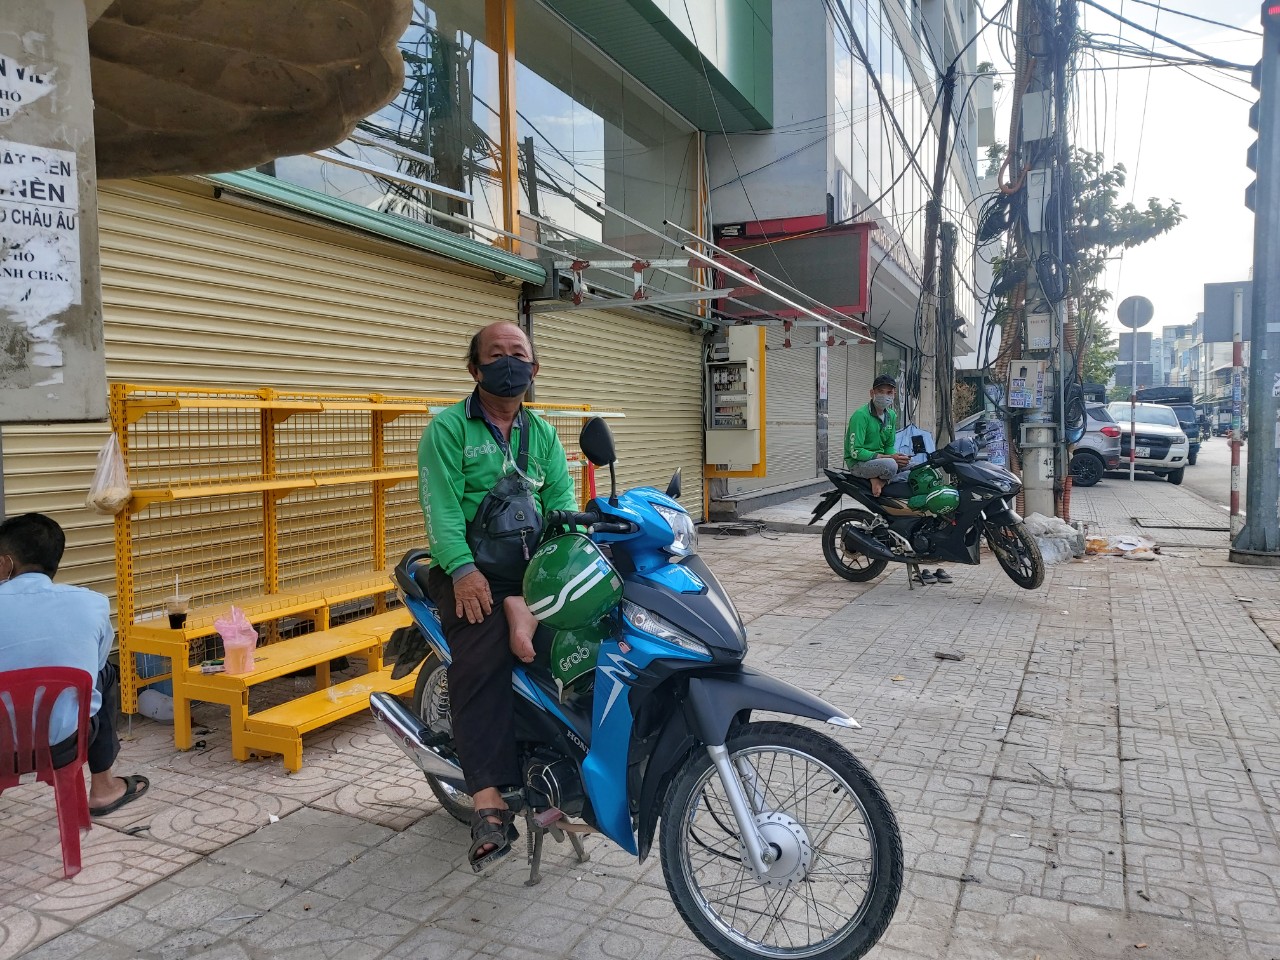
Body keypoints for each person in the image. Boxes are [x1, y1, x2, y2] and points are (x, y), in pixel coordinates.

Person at [417, 321, 578, 872]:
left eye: (520, 355)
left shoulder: (545, 435)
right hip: (471, 572)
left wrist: (559, 575)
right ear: (474, 368)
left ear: (533, 370)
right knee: (480, 659)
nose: (510, 363)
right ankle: (487, 802)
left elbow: (562, 509)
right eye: (497, 354)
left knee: (593, 638)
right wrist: (462, 571)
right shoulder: (447, 430)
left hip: (531, 575)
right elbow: (440, 511)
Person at [0, 513, 150, 815]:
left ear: (5, 564)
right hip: (64, 744)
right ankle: (103, 789)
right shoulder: (91, 603)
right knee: (105, 672)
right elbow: (91, 668)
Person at [844, 374, 911, 497]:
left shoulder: (891, 416)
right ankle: (878, 479)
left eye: (889, 392)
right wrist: (890, 457)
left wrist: (896, 456)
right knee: (891, 465)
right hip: (859, 464)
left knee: (919, 468)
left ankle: (882, 481)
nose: (885, 396)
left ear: (894, 395)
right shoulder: (861, 416)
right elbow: (855, 452)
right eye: (880, 391)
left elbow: (889, 446)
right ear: (872, 393)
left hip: (881, 462)